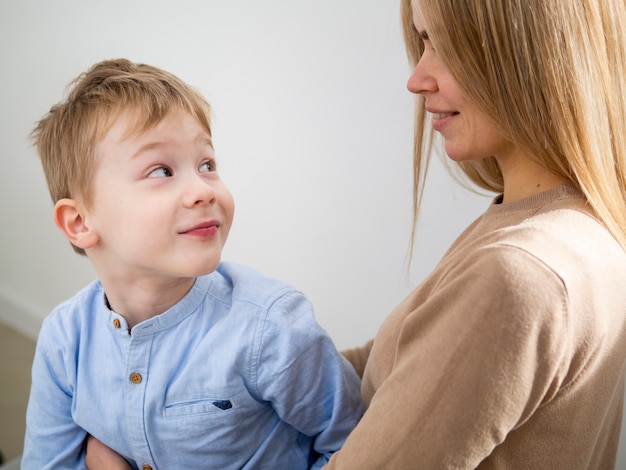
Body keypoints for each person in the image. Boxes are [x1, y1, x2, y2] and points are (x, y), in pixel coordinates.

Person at [86, 0, 626, 468]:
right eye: (422, 41)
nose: (417, 78)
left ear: (530, 52)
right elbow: (404, 364)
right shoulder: (563, 224)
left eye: (447, 45)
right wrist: (243, 368)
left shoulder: (518, 273)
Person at [21, 58, 363, 470]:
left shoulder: (273, 330)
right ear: (79, 223)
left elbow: (357, 448)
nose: (203, 189)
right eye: (161, 170)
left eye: (207, 164)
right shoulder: (64, 342)